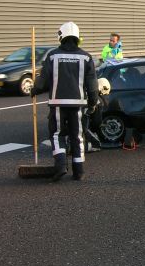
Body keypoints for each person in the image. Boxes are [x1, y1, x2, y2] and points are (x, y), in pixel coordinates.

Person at [31, 22, 98, 182]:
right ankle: (79, 171)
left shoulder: (53, 56)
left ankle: (61, 165)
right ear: (77, 36)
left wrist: (35, 89)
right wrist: (93, 102)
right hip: (78, 104)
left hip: (58, 103)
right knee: (77, 136)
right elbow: (92, 85)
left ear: (60, 36)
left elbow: (43, 80)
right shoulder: (86, 57)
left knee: (57, 134)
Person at [83, 77, 111, 152]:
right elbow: (97, 122)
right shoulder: (98, 101)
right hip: (82, 120)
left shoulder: (85, 88)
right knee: (86, 130)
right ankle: (94, 145)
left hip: (70, 115)